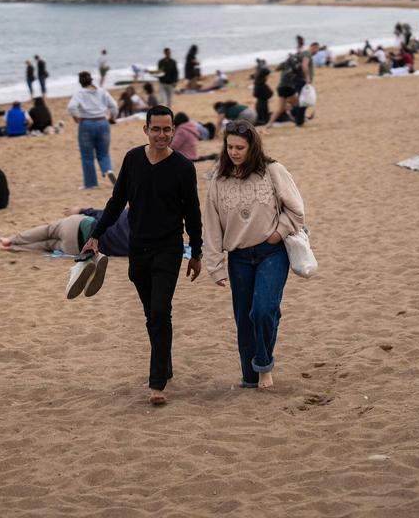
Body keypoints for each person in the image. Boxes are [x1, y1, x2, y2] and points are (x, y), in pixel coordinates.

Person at [81, 105, 203, 406]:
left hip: (169, 250)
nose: (162, 134)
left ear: (173, 130)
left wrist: (196, 252)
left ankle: (157, 382)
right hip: (138, 251)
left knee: (160, 311)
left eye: (167, 129)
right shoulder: (133, 159)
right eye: (156, 129)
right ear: (146, 129)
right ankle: (166, 364)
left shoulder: (184, 169)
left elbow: (193, 214)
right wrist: (96, 234)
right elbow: (116, 200)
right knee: (153, 316)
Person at [202, 120, 304, 390]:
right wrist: (214, 266)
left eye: (240, 147)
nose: (234, 152)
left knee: (262, 311)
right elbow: (211, 226)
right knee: (244, 319)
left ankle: (264, 365)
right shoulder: (219, 181)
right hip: (239, 258)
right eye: (230, 147)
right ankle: (250, 377)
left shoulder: (272, 171)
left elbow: (297, 210)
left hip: (272, 252)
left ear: (252, 147)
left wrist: (277, 233)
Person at [0, 205, 131, 257]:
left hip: (77, 226)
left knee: (48, 230)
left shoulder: (121, 214)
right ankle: (13, 247)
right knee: (48, 246)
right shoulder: (135, 244)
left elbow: (98, 214)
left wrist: (80, 210)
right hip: (77, 248)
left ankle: (11, 240)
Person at [66, 71, 118, 189]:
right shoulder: (102, 91)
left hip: (86, 124)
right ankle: (108, 170)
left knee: (87, 156)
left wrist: (76, 117)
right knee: (104, 153)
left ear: (80, 82)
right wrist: (112, 117)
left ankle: (91, 183)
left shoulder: (80, 93)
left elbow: (71, 107)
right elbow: (114, 106)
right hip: (103, 122)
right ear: (92, 80)